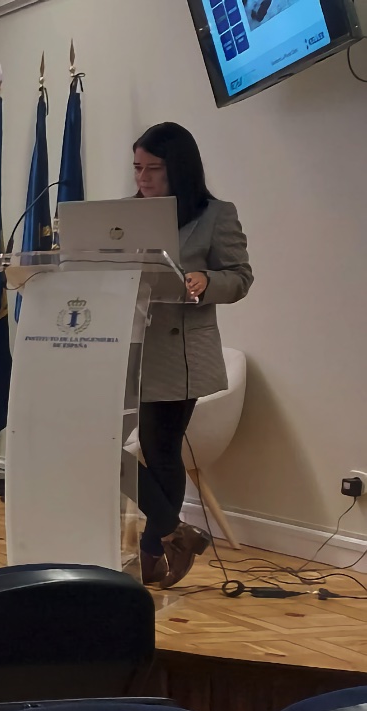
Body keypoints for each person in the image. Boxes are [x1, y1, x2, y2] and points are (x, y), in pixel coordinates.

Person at [131, 123, 253, 588]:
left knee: (160, 450)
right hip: (123, 347)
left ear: (178, 169)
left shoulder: (216, 215)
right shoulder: (126, 214)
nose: (143, 178)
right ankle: (174, 535)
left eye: (153, 169)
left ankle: (155, 548)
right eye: (137, 167)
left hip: (180, 349)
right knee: (135, 450)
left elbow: (240, 277)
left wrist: (204, 281)